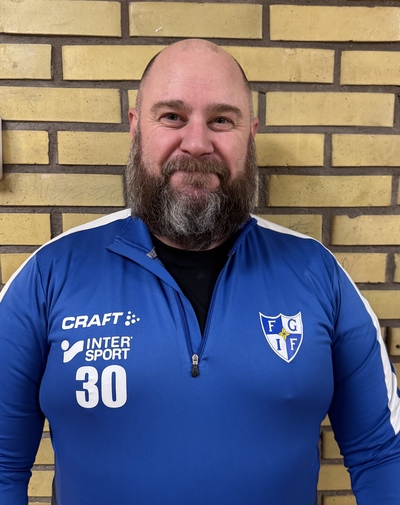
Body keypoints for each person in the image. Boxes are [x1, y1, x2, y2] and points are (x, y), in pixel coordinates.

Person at [0, 39, 399, 505]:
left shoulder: (318, 273)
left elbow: (382, 455)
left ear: (250, 135)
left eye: (221, 120)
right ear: (136, 127)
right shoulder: (49, 274)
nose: (196, 143)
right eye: (172, 116)